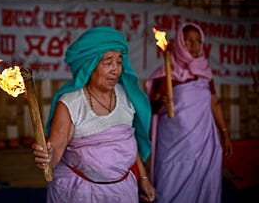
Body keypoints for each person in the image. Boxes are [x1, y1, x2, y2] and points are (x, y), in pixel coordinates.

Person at [32, 26, 155, 202]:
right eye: (108, 62)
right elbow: (55, 152)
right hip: (81, 192)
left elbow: (128, 140)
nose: (115, 69)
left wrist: (143, 178)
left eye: (119, 62)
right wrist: (47, 157)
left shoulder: (126, 95)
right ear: (90, 65)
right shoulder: (71, 103)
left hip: (122, 192)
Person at [145, 22, 233, 203]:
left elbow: (214, 103)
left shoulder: (205, 72)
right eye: (188, 41)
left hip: (204, 144)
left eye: (197, 41)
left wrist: (225, 134)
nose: (194, 45)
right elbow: (153, 108)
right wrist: (161, 102)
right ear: (179, 43)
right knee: (171, 185)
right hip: (174, 146)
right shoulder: (167, 72)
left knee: (203, 186)